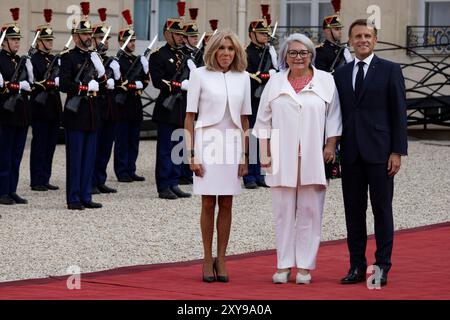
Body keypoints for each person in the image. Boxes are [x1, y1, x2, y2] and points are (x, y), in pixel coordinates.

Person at [253, 33, 342, 284]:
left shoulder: (326, 80)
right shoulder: (275, 81)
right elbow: (263, 120)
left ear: (311, 55)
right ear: (285, 57)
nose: (298, 57)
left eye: (303, 53)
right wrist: (265, 153)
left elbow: (334, 116)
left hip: (314, 156)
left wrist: (331, 145)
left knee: (310, 211)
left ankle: (304, 266)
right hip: (281, 156)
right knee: (282, 212)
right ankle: (283, 265)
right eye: (293, 53)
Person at [334, 19, 408, 287]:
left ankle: (381, 268)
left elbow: (399, 113)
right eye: (357, 36)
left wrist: (397, 151)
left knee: (382, 211)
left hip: (380, 153)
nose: (362, 40)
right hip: (351, 153)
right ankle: (356, 266)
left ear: (375, 40)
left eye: (367, 35)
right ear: (350, 41)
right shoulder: (340, 74)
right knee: (353, 212)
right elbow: (336, 114)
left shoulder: (390, 70)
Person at [184, 29, 251, 283]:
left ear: (236, 52)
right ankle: (206, 256)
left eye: (231, 49)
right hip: (206, 141)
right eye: (222, 48)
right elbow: (189, 117)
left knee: (227, 203)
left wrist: (246, 155)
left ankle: (222, 258)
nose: (226, 53)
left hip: (232, 142)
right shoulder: (199, 74)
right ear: (213, 50)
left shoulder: (243, 77)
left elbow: (246, 119)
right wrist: (191, 154)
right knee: (208, 202)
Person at [60, 2, 104, 210]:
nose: (88, 38)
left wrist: (101, 70)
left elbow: (103, 84)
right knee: (75, 159)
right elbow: (64, 84)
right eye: (84, 35)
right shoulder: (68, 57)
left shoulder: (93, 57)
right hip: (76, 114)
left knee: (89, 158)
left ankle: (86, 194)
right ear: (76, 37)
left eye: (89, 35)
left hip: (92, 114)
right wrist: (84, 87)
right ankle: (74, 198)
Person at [149, 18, 191, 200]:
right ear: (168, 34)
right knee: (166, 149)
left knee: (179, 147)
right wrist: (178, 84)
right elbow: (158, 81)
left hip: (183, 107)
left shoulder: (187, 56)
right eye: (178, 35)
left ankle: (174, 182)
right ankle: (164, 185)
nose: (182, 38)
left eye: (183, 35)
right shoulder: (158, 55)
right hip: (168, 107)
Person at [0, 8, 33, 205]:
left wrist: (27, 78)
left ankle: (12, 189)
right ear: (4, 41)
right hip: (5, 114)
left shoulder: (20, 60)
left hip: (20, 114)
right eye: (13, 40)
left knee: (16, 155)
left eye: (18, 40)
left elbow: (30, 86)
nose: (17, 43)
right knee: (4, 155)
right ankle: (2, 191)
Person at [114, 9, 149, 184]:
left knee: (134, 140)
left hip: (135, 104)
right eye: (129, 41)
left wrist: (145, 73)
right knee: (122, 139)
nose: (133, 43)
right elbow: (119, 82)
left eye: (134, 40)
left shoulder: (137, 60)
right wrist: (134, 84)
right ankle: (121, 170)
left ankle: (131, 168)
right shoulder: (117, 61)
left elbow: (146, 80)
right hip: (122, 105)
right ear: (121, 42)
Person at [30, 9, 62, 192]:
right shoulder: (33, 60)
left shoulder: (54, 59)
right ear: (39, 41)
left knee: (50, 146)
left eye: (51, 40)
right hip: (40, 107)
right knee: (39, 144)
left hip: (53, 107)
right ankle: (36, 180)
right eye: (47, 40)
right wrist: (50, 83)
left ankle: (46, 177)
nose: (50, 43)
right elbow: (35, 81)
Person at [244, 18, 277, 189]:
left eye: (266, 34)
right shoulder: (246, 53)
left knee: (263, 136)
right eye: (262, 33)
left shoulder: (269, 52)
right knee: (251, 136)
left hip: (267, 99)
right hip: (252, 98)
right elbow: (245, 75)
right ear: (252, 34)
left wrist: (273, 64)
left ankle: (260, 174)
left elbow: (278, 72)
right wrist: (263, 75)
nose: (265, 36)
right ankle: (249, 175)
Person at [91, 8, 121, 194]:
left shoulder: (110, 60)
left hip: (110, 109)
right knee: (95, 146)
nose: (106, 41)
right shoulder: (91, 59)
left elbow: (119, 84)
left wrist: (117, 78)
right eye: (102, 38)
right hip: (96, 107)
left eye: (108, 38)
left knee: (105, 146)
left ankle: (100, 178)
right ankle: (91, 180)